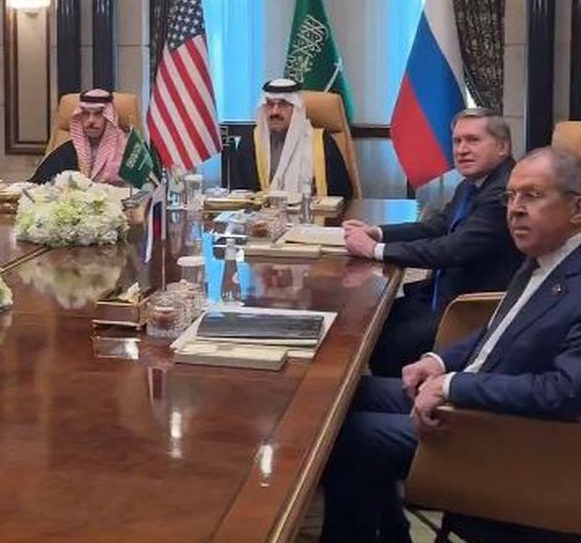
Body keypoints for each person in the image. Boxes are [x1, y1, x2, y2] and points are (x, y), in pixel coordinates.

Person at [320, 147, 581, 543]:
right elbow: (498, 332)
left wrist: (453, 386)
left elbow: (563, 393)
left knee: (344, 436)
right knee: (342, 398)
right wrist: (439, 362)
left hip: (510, 435)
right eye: (511, 196)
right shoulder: (545, 255)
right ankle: (391, 534)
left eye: (532, 196)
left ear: (577, 209)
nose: (515, 209)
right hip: (479, 396)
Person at [344, 108, 522, 376]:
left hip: (470, 310)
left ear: (502, 147)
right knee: (368, 318)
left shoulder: (503, 192)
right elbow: (437, 226)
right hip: (445, 292)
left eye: (473, 140)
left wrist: (375, 250)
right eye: (457, 141)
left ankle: (396, 395)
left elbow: (451, 250)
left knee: (382, 341)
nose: (462, 150)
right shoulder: (474, 183)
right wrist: (378, 232)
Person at [230, 78, 353, 198]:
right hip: (262, 212)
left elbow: (342, 194)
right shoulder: (250, 142)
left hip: (311, 210)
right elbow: (240, 194)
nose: (275, 112)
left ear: (297, 109)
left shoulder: (321, 143)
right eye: (269, 104)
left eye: (283, 104)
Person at [30, 89, 128, 185]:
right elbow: (34, 185)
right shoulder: (66, 152)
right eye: (86, 114)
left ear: (110, 117)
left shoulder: (129, 152)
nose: (91, 120)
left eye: (98, 114)